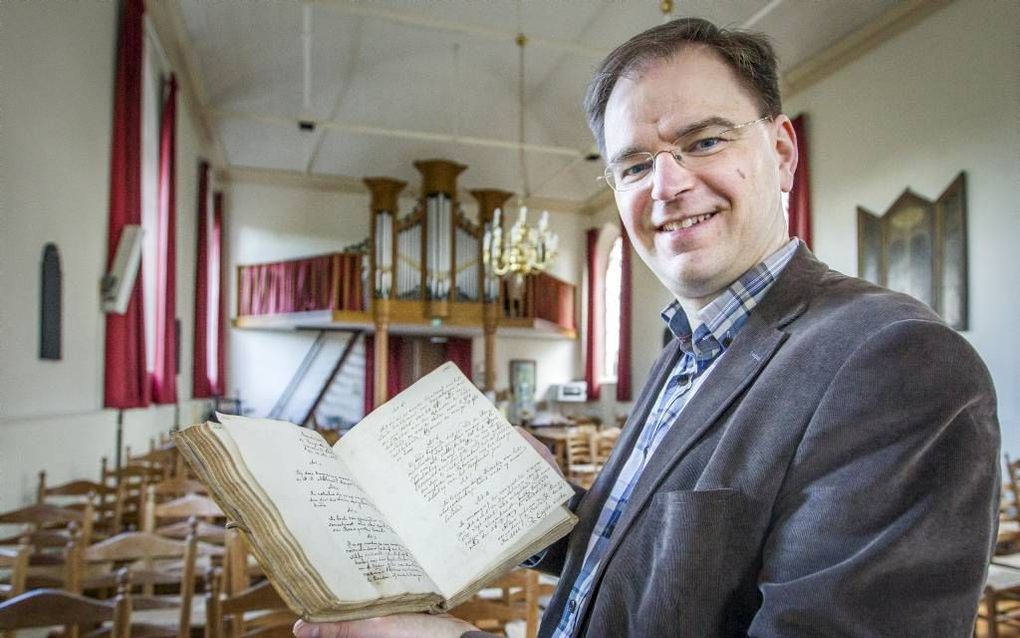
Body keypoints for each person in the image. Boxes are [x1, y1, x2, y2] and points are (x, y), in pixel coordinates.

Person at [294, 17, 1000, 638]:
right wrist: (545, 511)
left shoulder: (895, 360)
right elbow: (664, 577)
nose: (666, 186)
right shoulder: (683, 353)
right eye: (634, 164)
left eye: (704, 141)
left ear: (782, 153)